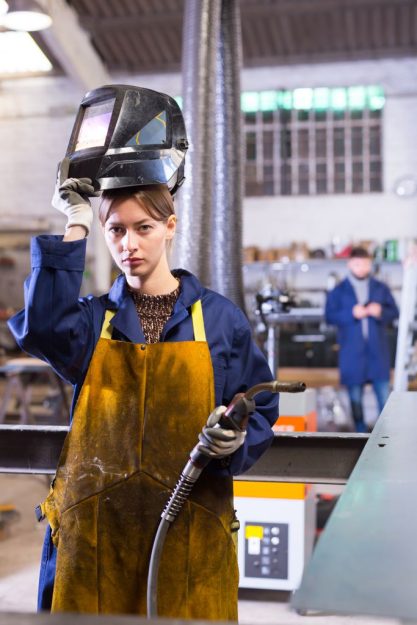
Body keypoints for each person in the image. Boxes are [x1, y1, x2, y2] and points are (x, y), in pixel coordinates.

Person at [8, 165, 277, 615]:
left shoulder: (219, 321)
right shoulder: (94, 320)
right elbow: (42, 328)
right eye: (115, 230)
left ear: (170, 227)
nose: (128, 245)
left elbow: (259, 402)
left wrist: (237, 438)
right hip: (96, 540)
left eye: (143, 228)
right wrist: (75, 220)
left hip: (187, 534)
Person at [325, 246, 399, 433]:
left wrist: (381, 311)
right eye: (358, 264)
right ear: (350, 264)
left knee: (385, 399)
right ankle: (359, 437)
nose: (362, 268)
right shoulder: (339, 291)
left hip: (377, 353)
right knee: (355, 401)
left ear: (370, 264)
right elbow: (329, 316)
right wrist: (351, 313)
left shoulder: (380, 288)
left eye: (366, 264)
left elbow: (395, 312)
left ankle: (386, 436)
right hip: (352, 354)